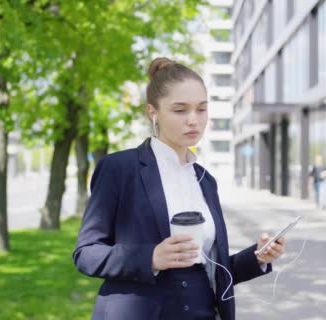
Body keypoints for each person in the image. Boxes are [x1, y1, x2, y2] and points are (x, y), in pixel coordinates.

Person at [73, 57, 286, 320]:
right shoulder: (120, 168)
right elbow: (86, 254)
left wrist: (257, 257)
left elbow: (213, 269)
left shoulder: (205, 180)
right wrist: (151, 257)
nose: (193, 120)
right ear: (153, 112)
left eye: (201, 109)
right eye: (180, 110)